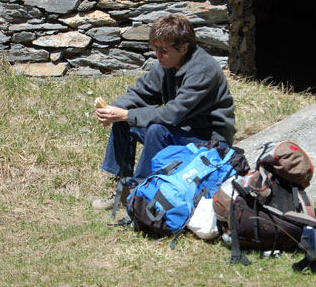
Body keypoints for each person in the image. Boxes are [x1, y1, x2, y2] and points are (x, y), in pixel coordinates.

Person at [92, 14, 236, 209]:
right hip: (183, 131)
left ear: (183, 48)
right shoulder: (168, 64)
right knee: (125, 121)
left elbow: (171, 114)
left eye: (164, 50)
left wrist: (126, 114)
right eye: (156, 49)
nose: (158, 55)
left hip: (210, 141)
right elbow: (141, 93)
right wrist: (113, 110)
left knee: (156, 130)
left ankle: (140, 193)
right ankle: (124, 185)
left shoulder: (202, 70)